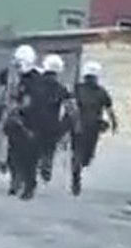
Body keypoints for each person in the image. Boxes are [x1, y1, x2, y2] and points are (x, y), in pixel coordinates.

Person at [67, 60, 118, 196]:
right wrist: (114, 124)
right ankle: (77, 172)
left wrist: (70, 122)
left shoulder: (77, 88)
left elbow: (70, 106)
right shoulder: (101, 91)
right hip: (92, 127)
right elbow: (110, 110)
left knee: (78, 152)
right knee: (86, 155)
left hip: (79, 126)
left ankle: (76, 171)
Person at [3, 44, 43, 200]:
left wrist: (16, 108)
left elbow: (29, 102)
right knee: (14, 154)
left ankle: (28, 186)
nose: (17, 68)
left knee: (29, 157)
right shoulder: (20, 79)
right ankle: (16, 181)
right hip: (19, 123)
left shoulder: (34, 81)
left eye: (19, 64)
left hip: (31, 123)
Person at [36, 54, 70, 184]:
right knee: (48, 148)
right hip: (52, 124)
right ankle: (46, 164)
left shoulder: (35, 84)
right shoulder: (60, 88)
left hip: (34, 121)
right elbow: (70, 107)